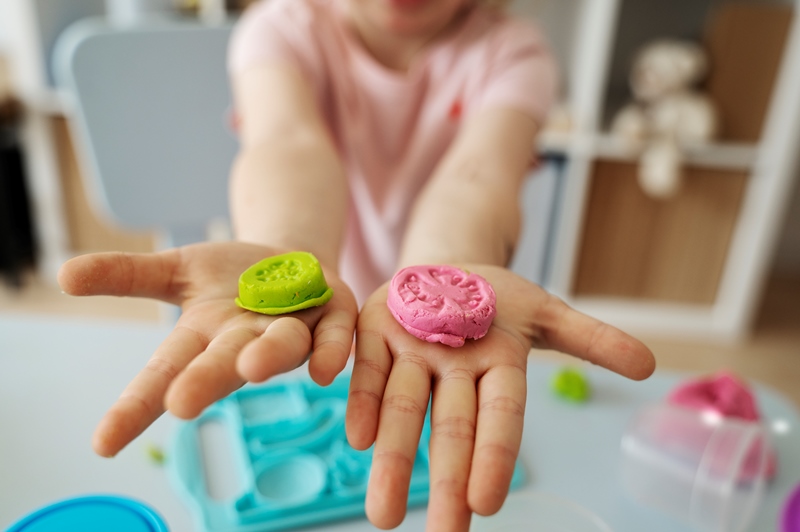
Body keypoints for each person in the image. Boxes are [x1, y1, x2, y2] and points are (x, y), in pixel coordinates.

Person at [57, 0, 656, 530]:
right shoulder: (281, 27)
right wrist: (290, 251)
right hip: (316, 323)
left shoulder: (515, 53)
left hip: (416, 345)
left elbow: (476, 177)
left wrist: (447, 272)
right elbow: (287, 142)